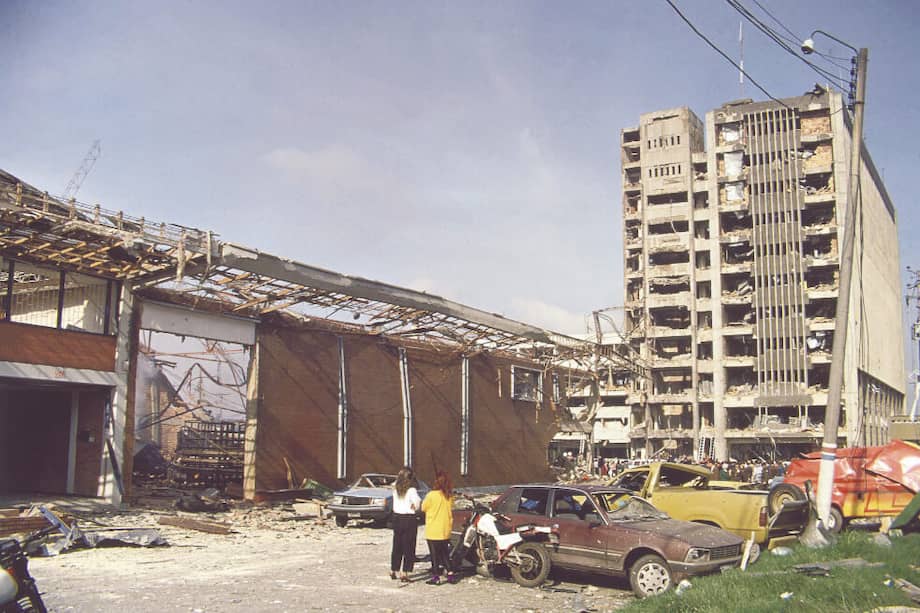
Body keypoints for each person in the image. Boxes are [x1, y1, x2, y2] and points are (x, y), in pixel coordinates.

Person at [421, 470, 456, 585]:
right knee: (444, 553)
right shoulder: (449, 496)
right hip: (445, 529)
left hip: (433, 530)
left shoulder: (431, 495)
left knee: (434, 555)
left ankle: (436, 577)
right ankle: (450, 573)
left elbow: (423, 508)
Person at [390, 466, 421, 582]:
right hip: (409, 518)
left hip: (397, 517)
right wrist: (415, 506)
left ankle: (393, 569)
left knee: (397, 544)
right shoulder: (412, 490)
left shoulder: (395, 489)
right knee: (409, 546)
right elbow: (417, 503)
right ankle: (405, 572)